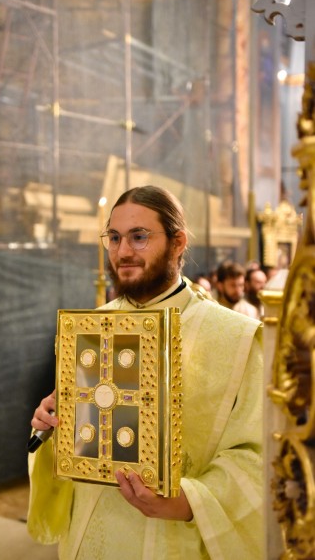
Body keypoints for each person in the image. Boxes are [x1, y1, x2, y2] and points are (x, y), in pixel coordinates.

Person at [27, 185, 263, 559]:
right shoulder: (88, 328)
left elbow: (256, 454)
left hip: (176, 542)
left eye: (139, 237)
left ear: (178, 242)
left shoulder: (236, 337)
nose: (123, 251)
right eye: (114, 238)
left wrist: (188, 502)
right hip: (89, 537)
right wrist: (52, 427)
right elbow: (85, 434)